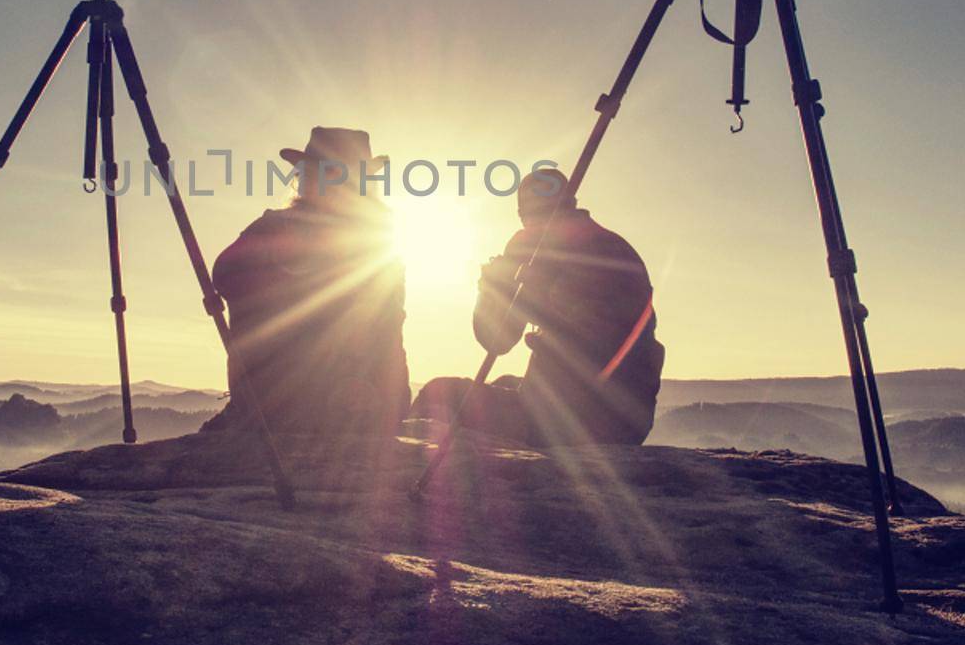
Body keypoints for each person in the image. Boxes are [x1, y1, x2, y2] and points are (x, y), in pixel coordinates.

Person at [413, 167, 663, 447]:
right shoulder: (616, 246)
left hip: (568, 423)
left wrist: (492, 287)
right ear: (571, 202)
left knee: (439, 394)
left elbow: (497, 340)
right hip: (629, 420)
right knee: (506, 382)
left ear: (522, 213)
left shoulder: (533, 246)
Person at [202, 127, 410, 437]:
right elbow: (225, 274)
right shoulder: (378, 243)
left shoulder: (377, 247)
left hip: (321, 400)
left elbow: (386, 328)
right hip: (310, 399)